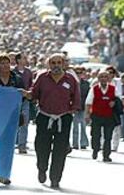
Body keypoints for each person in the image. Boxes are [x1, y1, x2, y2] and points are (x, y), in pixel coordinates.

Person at [23, 53, 80, 189]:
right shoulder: (42, 77)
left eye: (58, 62)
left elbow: (76, 96)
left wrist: (74, 108)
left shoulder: (70, 79)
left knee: (60, 150)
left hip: (63, 118)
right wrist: (27, 94)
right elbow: (34, 93)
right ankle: (42, 168)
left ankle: (55, 178)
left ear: (63, 64)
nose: (56, 65)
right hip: (44, 116)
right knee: (41, 147)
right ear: (49, 64)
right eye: (53, 63)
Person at [0, 54, 24, 185]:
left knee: (8, 146)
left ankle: (5, 173)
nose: (5, 66)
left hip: (12, 116)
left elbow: (23, 98)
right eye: (2, 63)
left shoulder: (17, 80)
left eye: (7, 63)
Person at [85, 71, 117, 162]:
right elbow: (88, 102)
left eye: (105, 77)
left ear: (108, 79)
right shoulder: (94, 89)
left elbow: (119, 99)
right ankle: (95, 149)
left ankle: (106, 155)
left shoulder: (113, 89)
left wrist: (115, 103)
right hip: (96, 116)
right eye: (101, 77)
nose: (103, 78)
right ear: (98, 79)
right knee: (95, 135)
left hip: (109, 116)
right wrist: (87, 115)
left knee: (108, 137)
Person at [13, 52, 33, 154]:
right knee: (13, 122)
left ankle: (22, 145)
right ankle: (11, 144)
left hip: (25, 100)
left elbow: (31, 84)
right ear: (18, 60)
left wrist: (29, 92)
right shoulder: (12, 71)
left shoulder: (28, 72)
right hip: (13, 100)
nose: (26, 60)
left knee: (24, 122)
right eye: (24, 58)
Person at [72, 66, 90, 150]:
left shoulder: (86, 84)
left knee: (83, 126)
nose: (78, 74)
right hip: (74, 108)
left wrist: (88, 110)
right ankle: (75, 144)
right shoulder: (72, 82)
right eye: (77, 73)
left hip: (83, 107)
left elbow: (88, 96)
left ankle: (83, 143)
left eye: (80, 73)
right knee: (75, 127)